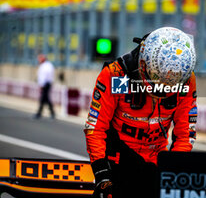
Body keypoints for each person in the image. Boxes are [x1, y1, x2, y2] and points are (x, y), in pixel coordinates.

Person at [84, 27, 197, 198]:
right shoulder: (118, 76)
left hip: (157, 163)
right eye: (159, 79)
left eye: (170, 84)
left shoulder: (186, 80)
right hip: (118, 161)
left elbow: (185, 134)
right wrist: (102, 173)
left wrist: (173, 173)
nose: (163, 88)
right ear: (144, 63)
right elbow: (96, 127)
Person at [34, 54, 55, 119]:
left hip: (46, 84)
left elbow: (44, 76)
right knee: (45, 99)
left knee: (43, 98)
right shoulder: (46, 65)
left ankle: (39, 113)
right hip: (46, 84)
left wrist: (42, 85)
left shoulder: (46, 66)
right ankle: (51, 113)